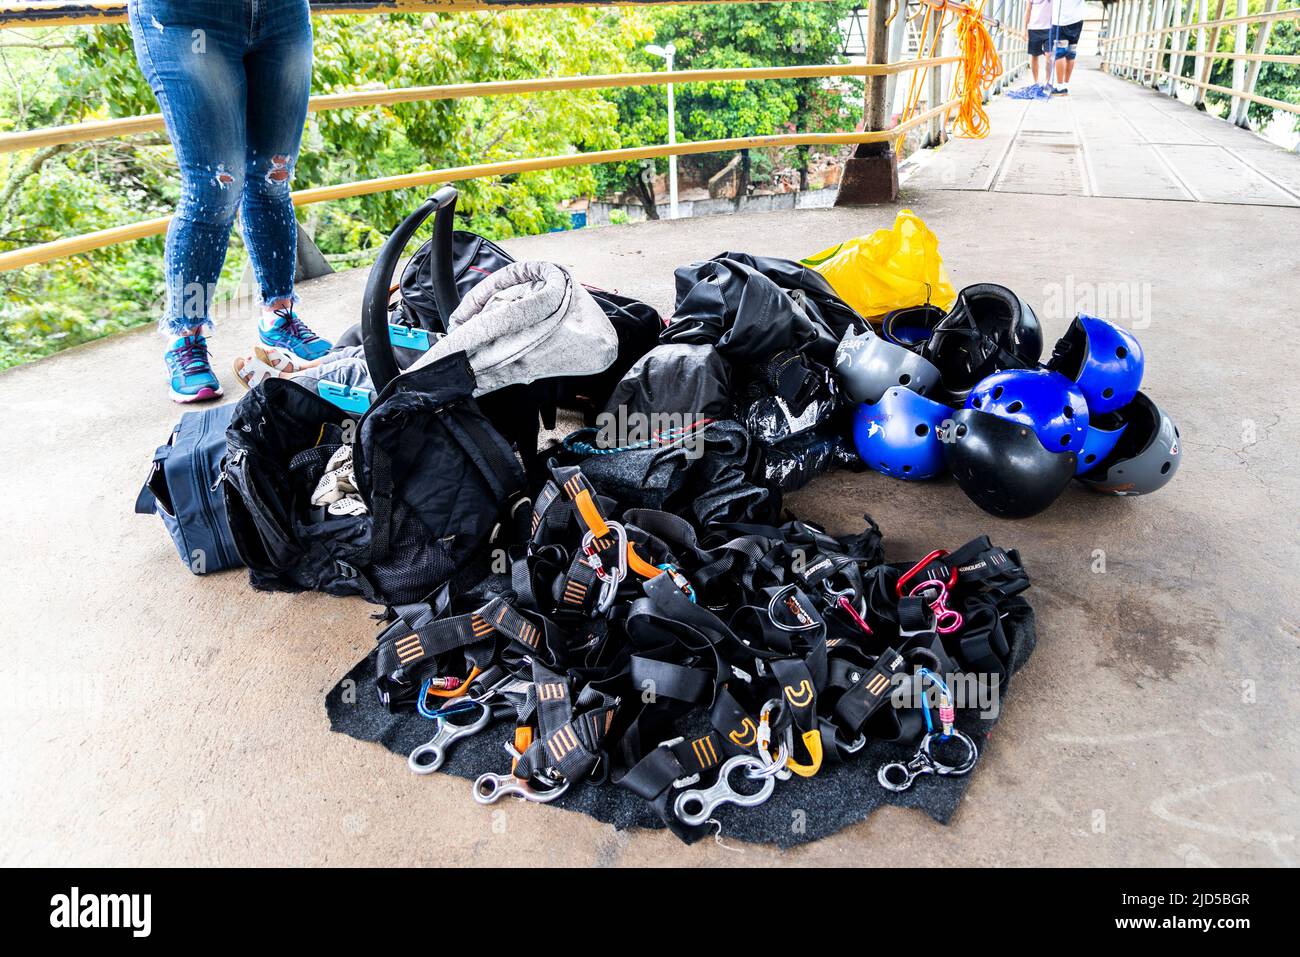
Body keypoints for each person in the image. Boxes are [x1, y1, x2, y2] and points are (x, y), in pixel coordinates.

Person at [128, 0, 332, 403]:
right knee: (213, 188)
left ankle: (279, 316)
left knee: (274, 177)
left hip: (282, 14)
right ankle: (186, 335)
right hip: (189, 18)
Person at [1051, 0, 1088, 95]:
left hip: (1062, 21)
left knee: (1060, 53)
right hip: (1077, 21)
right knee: (1072, 51)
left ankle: (1059, 87)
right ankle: (1066, 85)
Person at [1024, 0, 1054, 91]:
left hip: (1048, 29)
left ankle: (1046, 82)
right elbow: (1028, 10)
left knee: (1049, 56)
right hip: (1034, 28)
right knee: (1034, 56)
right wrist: (1024, 29)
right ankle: (1036, 82)